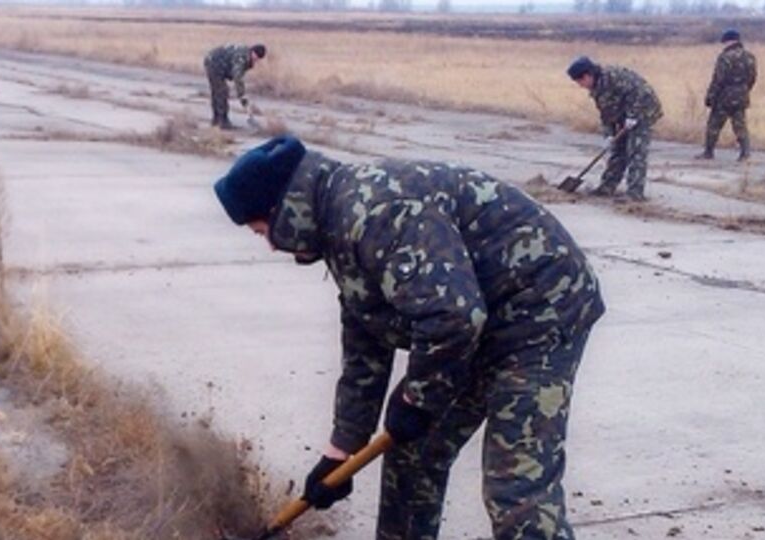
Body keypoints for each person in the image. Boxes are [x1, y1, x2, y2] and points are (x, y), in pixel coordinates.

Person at [213, 136, 605, 540]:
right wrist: (341, 449)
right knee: (413, 453)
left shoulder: (374, 215)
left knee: (516, 486)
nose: (271, 245)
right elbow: (366, 339)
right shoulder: (339, 222)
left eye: (263, 231)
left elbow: (453, 317)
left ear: (285, 210)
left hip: (541, 310)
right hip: (478, 321)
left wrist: (418, 399)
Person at [567, 56, 663, 202]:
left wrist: (634, 115)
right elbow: (606, 113)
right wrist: (609, 135)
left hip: (644, 111)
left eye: (579, 81)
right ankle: (607, 187)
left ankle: (635, 194)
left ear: (587, 76)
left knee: (636, 151)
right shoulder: (597, 88)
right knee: (618, 149)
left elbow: (640, 92)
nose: (580, 85)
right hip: (624, 115)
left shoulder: (614, 77)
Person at [697, 29, 757, 161]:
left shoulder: (725, 57)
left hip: (724, 97)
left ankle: (708, 152)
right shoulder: (750, 57)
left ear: (728, 41)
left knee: (714, 125)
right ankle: (745, 153)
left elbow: (718, 79)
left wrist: (710, 96)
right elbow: (752, 78)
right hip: (741, 95)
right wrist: (744, 90)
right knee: (740, 125)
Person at [203, 43, 266, 129]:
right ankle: (222, 121)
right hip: (213, 63)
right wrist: (242, 94)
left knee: (218, 92)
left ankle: (216, 120)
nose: (256, 60)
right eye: (256, 57)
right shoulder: (242, 57)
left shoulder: (247, 57)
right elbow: (237, 77)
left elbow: (238, 75)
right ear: (253, 52)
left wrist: (241, 94)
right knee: (221, 91)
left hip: (219, 65)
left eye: (258, 59)